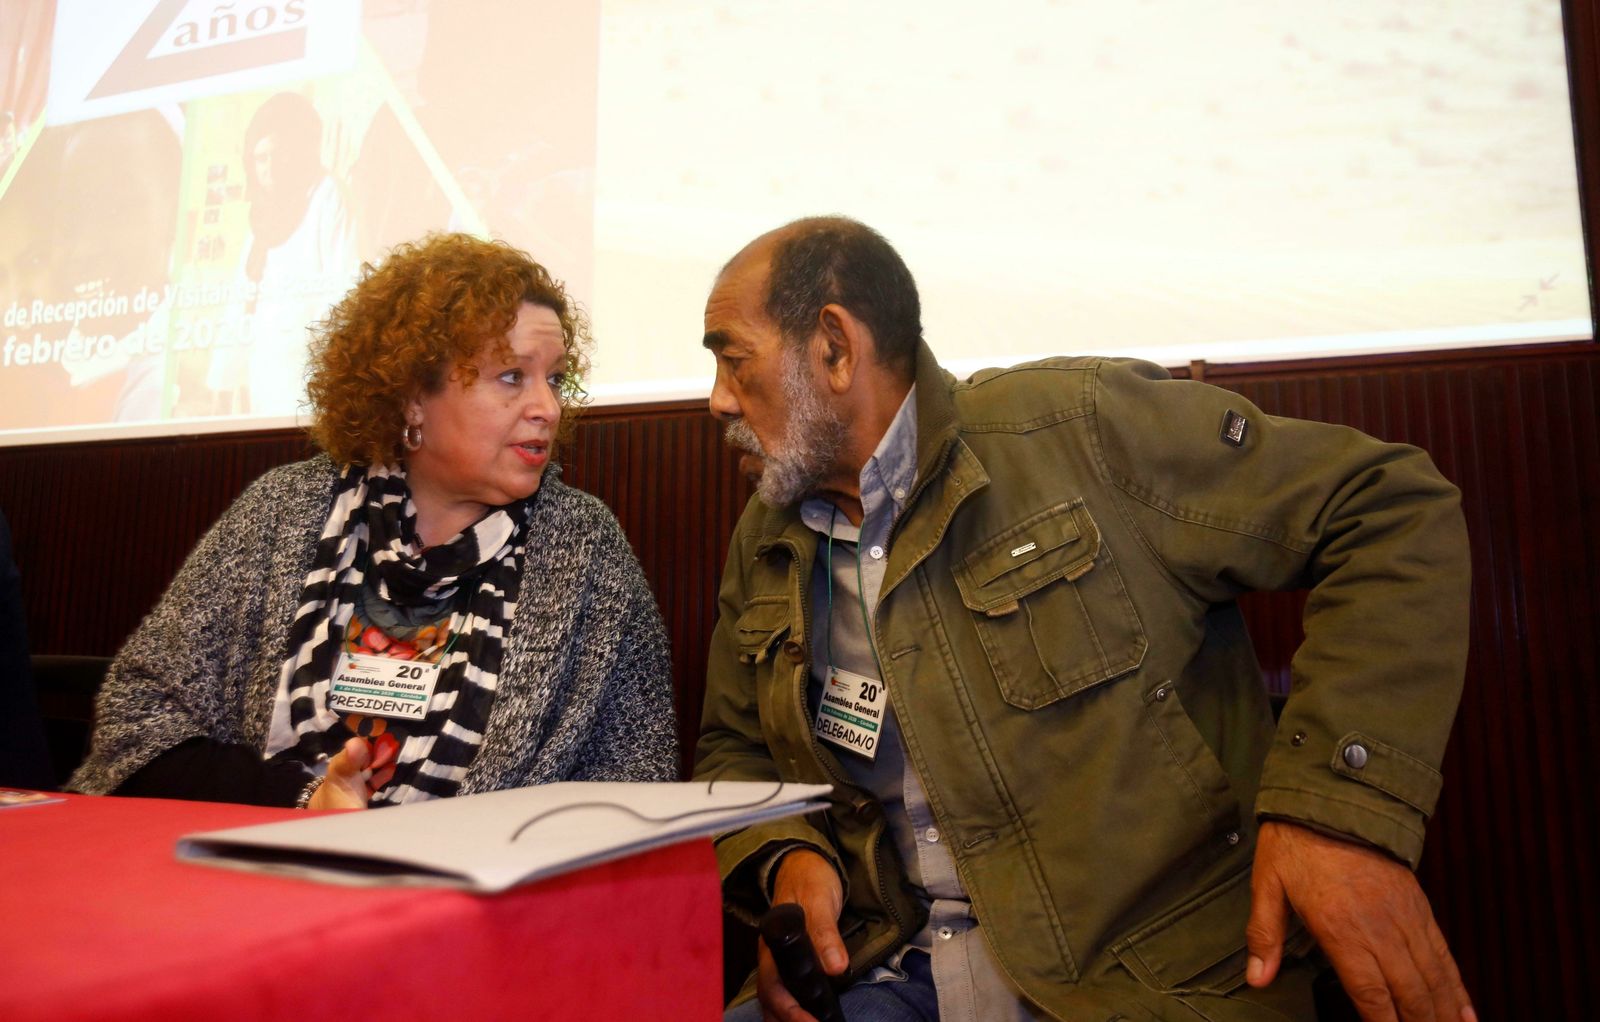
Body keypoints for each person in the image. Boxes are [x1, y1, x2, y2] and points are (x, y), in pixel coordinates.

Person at [695, 217, 1475, 1022]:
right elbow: (734, 746)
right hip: (883, 979)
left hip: (1135, 989)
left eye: (733, 358)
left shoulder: (1082, 431)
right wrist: (789, 856)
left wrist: (1331, 815)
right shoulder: (767, 539)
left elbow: (1388, 508)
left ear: (834, 347)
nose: (718, 398)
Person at [71, 233, 676, 809]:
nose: (547, 407)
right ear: (414, 398)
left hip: (479, 907)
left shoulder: (585, 548)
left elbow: (635, 787)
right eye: (512, 376)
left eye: (556, 379)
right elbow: (138, 727)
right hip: (258, 885)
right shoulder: (281, 513)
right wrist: (301, 802)